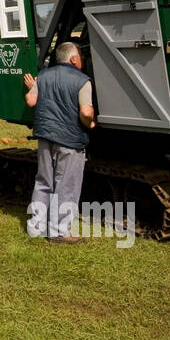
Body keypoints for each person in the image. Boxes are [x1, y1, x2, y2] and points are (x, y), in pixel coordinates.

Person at [23, 42, 96, 243]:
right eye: (80, 55)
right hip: (70, 140)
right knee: (66, 186)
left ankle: (35, 227)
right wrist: (89, 123)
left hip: (45, 137)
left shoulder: (44, 75)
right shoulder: (83, 81)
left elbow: (31, 101)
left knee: (43, 181)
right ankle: (58, 231)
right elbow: (86, 111)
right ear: (73, 59)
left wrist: (33, 87)